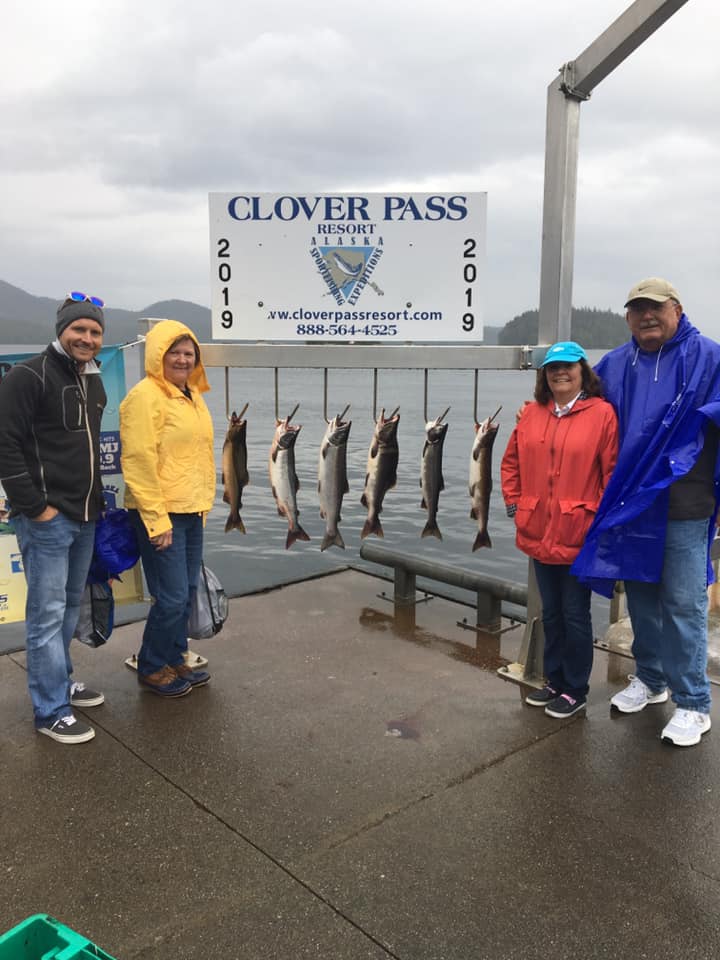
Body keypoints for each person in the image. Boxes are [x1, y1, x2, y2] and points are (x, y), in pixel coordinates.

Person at [572, 278, 720, 747]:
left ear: (677, 308)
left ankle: (694, 702)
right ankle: (652, 680)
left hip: (685, 504)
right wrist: (536, 411)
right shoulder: (615, 363)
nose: (646, 317)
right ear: (627, 318)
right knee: (642, 604)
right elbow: (579, 404)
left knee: (683, 604)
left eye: (654, 308)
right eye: (636, 310)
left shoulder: (710, 357)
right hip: (632, 506)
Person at [0, 292, 108, 744]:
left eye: (95, 332)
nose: (86, 338)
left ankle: (59, 682)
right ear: (61, 329)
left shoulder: (91, 378)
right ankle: (50, 711)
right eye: (79, 329)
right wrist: (35, 507)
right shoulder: (27, 376)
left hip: (85, 515)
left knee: (66, 609)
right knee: (46, 615)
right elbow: (4, 445)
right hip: (48, 520)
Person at [501, 341, 619, 718]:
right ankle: (553, 680)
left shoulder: (602, 414)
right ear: (544, 375)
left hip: (577, 535)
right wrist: (516, 507)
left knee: (574, 614)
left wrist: (596, 518)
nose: (560, 373)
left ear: (583, 371)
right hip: (538, 531)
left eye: (568, 366)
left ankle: (575, 688)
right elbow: (510, 465)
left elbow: (611, 473)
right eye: (552, 368)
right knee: (550, 613)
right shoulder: (531, 414)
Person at [119, 319, 215, 697]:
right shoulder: (144, 397)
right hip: (161, 514)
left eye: (188, 353)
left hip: (192, 510)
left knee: (186, 590)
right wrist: (157, 521)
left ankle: (175, 656)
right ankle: (152, 664)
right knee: (172, 595)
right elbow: (139, 461)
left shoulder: (191, 394)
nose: (181, 359)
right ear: (158, 355)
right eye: (173, 352)